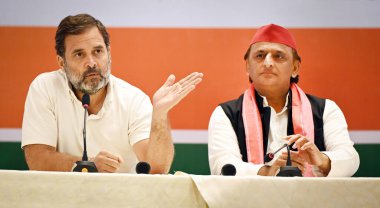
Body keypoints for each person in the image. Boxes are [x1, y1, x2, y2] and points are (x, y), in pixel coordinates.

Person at [21, 14, 203, 173]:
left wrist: (160, 116)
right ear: (61, 62)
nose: (91, 63)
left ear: (109, 52)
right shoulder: (45, 87)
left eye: (98, 51)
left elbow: (156, 168)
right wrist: (88, 165)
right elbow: (37, 158)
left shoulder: (134, 99)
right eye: (79, 54)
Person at [208, 24, 359, 177]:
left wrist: (322, 159)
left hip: (311, 200)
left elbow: (350, 158)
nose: (267, 63)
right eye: (260, 55)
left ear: (295, 67)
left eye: (278, 56)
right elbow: (223, 165)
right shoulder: (226, 114)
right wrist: (267, 171)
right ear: (248, 66)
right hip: (250, 201)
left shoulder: (325, 109)